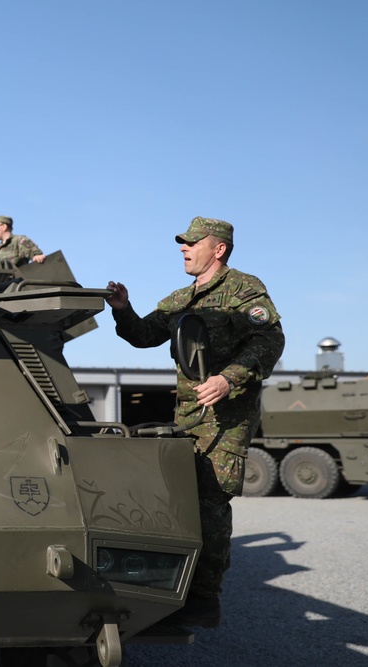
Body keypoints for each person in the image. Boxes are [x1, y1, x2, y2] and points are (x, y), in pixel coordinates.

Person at [104, 216, 284, 628]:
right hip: (187, 415)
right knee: (177, 500)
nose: (183, 249)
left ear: (218, 248)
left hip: (227, 415)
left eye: (191, 243)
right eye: (181, 244)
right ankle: (173, 588)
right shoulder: (182, 297)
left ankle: (204, 599)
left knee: (209, 501)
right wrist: (123, 309)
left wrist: (228, 379)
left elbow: (270, 340)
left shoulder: (244, 289)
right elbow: (144, 334)